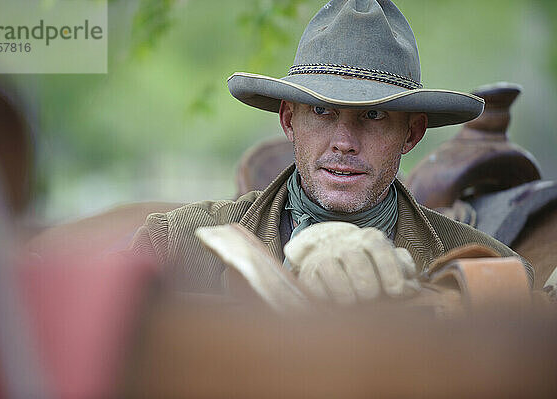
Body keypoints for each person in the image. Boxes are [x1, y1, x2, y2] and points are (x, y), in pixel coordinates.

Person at [130, 0, 533, 296]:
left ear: (411, 134)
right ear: (288, 119)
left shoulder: (489, 271)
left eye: (373, 116)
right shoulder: (173, 245)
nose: (344, 142)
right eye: (322, 111)